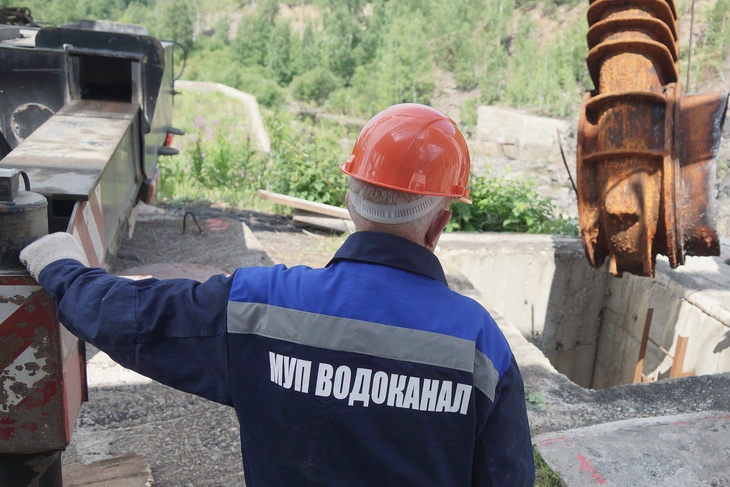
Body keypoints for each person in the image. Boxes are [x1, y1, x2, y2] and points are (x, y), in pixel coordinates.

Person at [20, 103, 535, 486]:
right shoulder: (479, 346)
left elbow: (133, 318)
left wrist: (61, 268)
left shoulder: (259, 306)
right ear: (439, 224)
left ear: (350, 201)